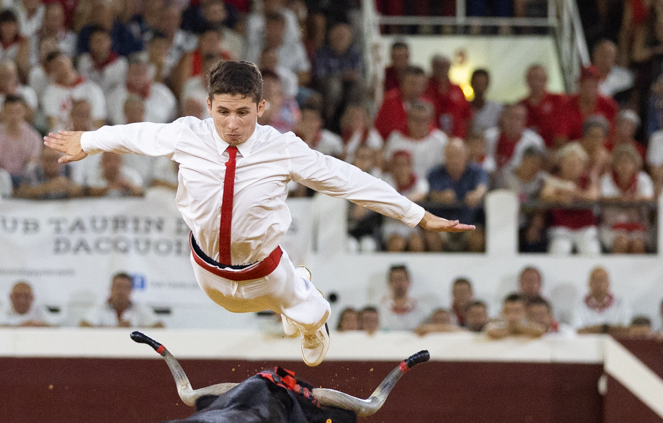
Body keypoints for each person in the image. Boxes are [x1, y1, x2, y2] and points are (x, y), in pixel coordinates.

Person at [45, 61, 471, 366]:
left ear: (261, 109)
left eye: (243, 113)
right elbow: (136, 134)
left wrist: (417, 216)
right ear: (209, 104)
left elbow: (347, 179)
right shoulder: (186, 133)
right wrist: (88, 139)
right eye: (223, 112)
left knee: (306, 309)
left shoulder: (281, 148)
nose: (232, 124)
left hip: (266, 268)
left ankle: (307, 318)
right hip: (207, 272)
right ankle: (293, 303)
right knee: (239, 304)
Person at [574, 266, 631, 332]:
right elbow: (577, 330)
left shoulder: (621, 304)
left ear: (608, 283)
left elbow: (625, 329)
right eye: (595, 280)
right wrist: (605, 329)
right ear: (588, 283)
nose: (598, 284)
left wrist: (595, 330)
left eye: (602, 280)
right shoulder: (579, 304)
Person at [378, 264, 426, 332]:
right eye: (395, 280)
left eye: (401, 279)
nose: (399, 283)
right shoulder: (381, 309)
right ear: (389, 283)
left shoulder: (420, 308)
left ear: (409, 282)